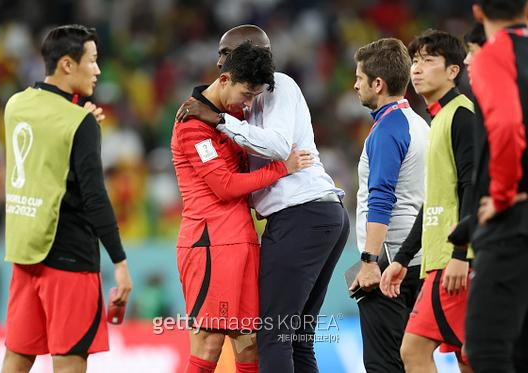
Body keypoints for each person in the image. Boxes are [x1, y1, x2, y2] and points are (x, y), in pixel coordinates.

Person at [176, 25, 350, 373]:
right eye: (247, 91)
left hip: (285, 221)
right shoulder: (196, 123)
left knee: (265, 338)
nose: (250, 99)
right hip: (213, 240)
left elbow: (276, 146)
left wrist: (225, 119)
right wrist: (280, 169)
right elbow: (224, 185)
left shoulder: (258, 98)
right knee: (218, 340)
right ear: (225, 70)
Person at [1, 25, 132, 373]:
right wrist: (119, 261)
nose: (98, 70)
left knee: (17, 356)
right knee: (69, 360)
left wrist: (79, 116)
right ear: (67, 65)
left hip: (26, 253)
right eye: (92, 61)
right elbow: (95, 197)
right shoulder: (80, 123)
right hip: (71, 259)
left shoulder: (15, 106)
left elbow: (47, 138)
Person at [379, 29, 475, 373]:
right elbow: (434, 200)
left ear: (453, 70)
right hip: (441, 258)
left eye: (428, 61)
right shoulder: (439, 120)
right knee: (469, 357)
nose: (417, 69)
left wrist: (461, 254)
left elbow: (473, 189)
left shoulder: (462, 116)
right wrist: (403, 258)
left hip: (457, 261)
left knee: (414, 349)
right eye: (415, 61)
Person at [351, 38, 429, 372]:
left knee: (385, 365)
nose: (354, 84)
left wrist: (369, 261)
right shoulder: (418, 123)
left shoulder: (387, 130)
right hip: (417, 260)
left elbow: (382, 197)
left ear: (378, 84)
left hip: (388, 267)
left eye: (359, 77)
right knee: (413, 361)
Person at [465, 1, 528, 371]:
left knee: (487, 350)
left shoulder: (492, 56)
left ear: (477, 11)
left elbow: (506, 126)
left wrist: (503, 195)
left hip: (510, 226)